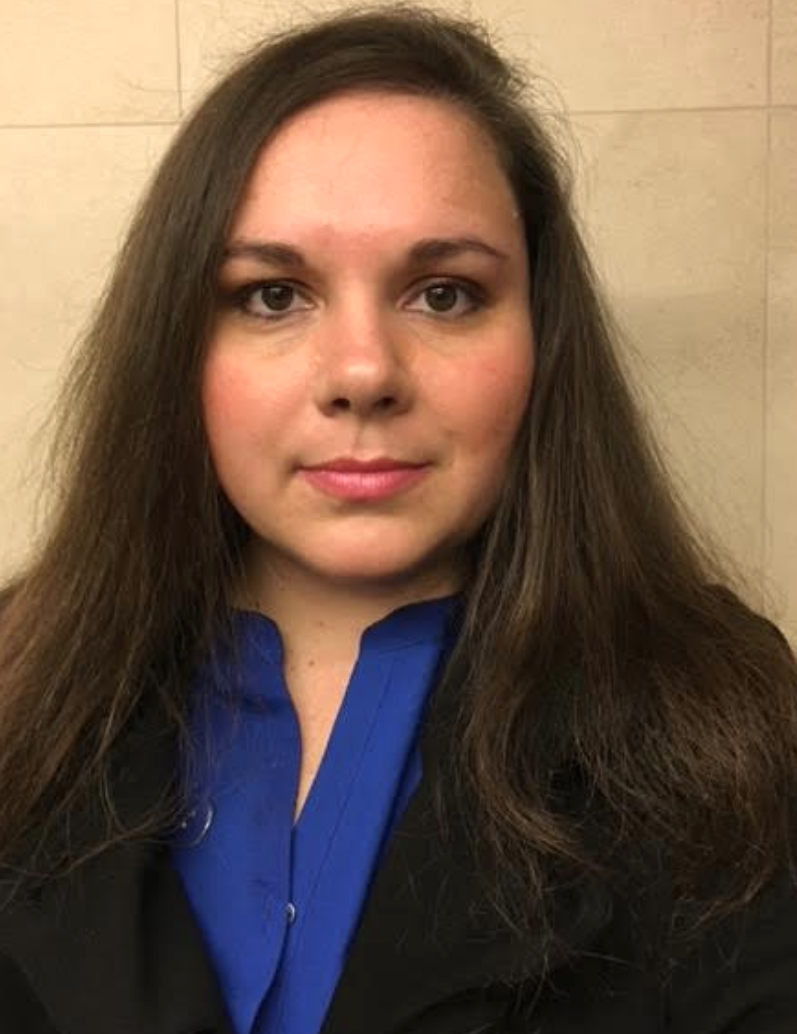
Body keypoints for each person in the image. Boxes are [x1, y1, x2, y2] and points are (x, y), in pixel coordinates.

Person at [0, 5, 795, 1032]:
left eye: (445, 294)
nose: (364, 372)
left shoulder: (713, 711)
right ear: (178, 349)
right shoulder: (19, 685)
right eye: (274, 294)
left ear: (541, 340)